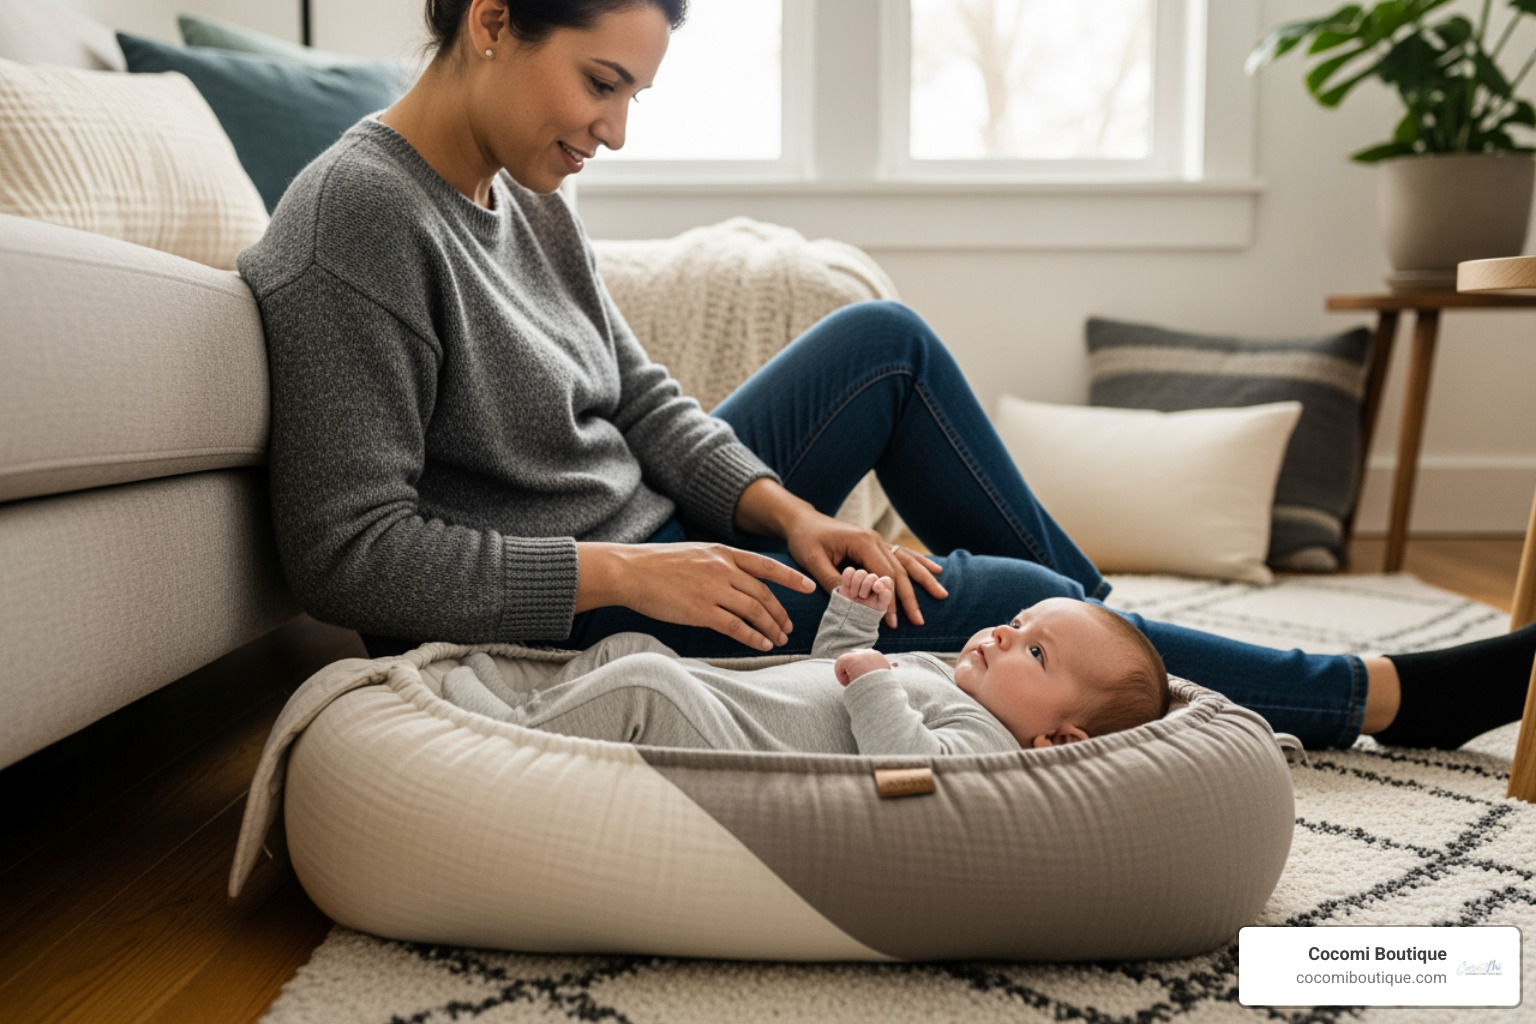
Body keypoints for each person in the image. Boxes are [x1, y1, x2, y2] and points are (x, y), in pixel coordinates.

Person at [239, 0, 1536, 754]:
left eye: (635, 91)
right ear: (489, 21)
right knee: (1010, 599)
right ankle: (1365, 695)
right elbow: (349, 558)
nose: (615, 127)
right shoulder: (356, 220)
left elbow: (642, 403)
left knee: (889, 347)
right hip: (561, 600)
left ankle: (1104, 647)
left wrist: (785, 513)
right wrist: (638, 573)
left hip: (644, 538)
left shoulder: (526, 200)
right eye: (600, 81)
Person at [441, 569, 1170, 755]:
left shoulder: (986, 743)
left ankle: (500, 729)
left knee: (644, 682)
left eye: (1035, 651)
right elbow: (831, 671)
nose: (1005, 635)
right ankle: (531, 703)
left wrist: (876, 681)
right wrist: (853, 621)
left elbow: (906, 764)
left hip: (732, 741)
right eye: (1016, 623)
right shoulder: (951, 677)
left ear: (1059, 739)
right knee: (635, 648)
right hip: (725, 695)